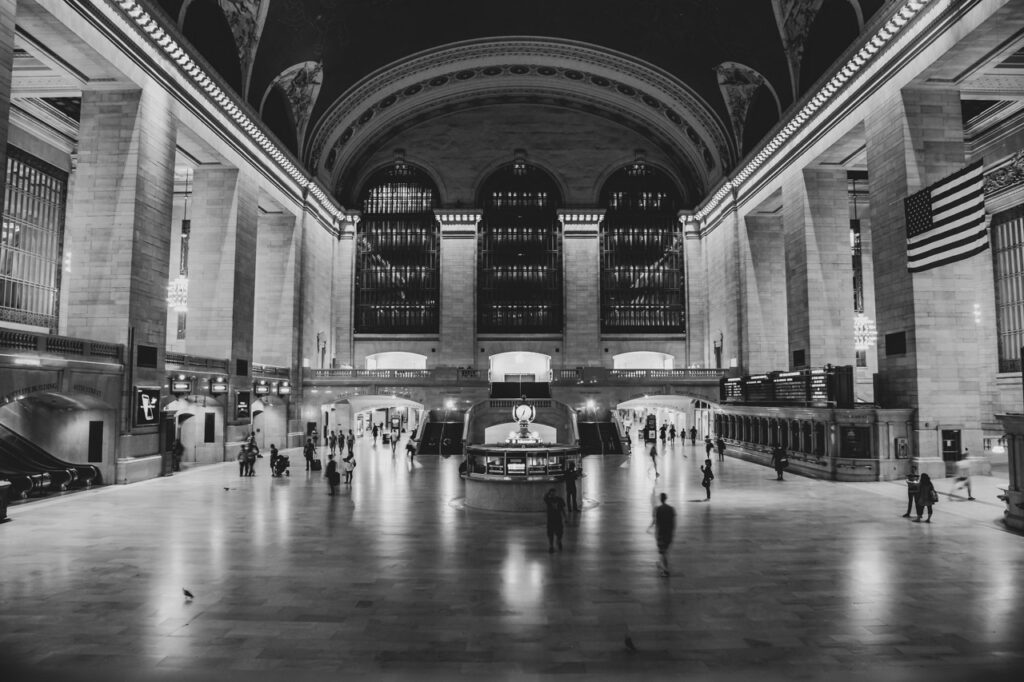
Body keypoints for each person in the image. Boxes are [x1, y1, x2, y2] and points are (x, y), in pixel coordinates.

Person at [654, 492, 676, 576]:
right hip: (669, 533)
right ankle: (660, 563)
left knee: (663, 552)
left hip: (662, 533)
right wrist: (672, 533)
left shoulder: (658, 509)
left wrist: (656, 533)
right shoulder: (671, 509)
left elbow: (658, 522)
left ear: (660, 499)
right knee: (664, 551)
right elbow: (673, 522)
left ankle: (666, 570)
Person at [543, 488, 568, 553]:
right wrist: (548, 493)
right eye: (552, 493)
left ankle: (559, 541)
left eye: (554, 493)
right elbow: (544, 497)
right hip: (550, 519)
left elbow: (562, 509)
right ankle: (551, 546)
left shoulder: (559, 500)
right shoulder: (548, 500)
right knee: (550, 533)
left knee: (560, 532)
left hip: (558, 519)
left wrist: (565, 518)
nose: (553, 494)